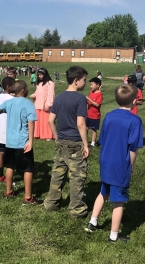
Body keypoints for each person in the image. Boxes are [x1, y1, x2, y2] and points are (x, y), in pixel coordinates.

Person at [85, 84, 143, 242]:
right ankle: (114, 235)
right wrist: (130, 165)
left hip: (106, 160)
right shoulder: (135, 121)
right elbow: (133, 148)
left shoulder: (109, 116)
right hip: (120, 164)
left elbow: (102, 140)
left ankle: (92, 222)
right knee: (119, 201)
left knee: (103, 191)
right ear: (135, 101)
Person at [44, 66, 89, 218]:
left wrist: (57, 137)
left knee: (57, 174)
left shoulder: (60, 97)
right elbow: (81, 124)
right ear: (76, 81)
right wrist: (86, 144)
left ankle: (51, 203)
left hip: (61, 142)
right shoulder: (80, 99)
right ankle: (77, 209)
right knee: (77, 177)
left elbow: (50, 120)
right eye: (84, 80)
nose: (86, 83)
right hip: (75, 143)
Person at [0, 77, 15, 182]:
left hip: (0, 128)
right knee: (11, 155)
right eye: (13, 85)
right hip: (9, 129)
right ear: (8, 87)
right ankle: (9, 176)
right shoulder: (11, 99)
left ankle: (0, 175)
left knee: (1, 153)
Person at [30, 68, 55, 141]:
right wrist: (33, 95)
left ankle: (48, 135)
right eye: (38, 75)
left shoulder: (50, 83)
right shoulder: (39, 83)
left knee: (46, 121)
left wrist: (48, 104)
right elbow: (37, 92)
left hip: (45, 105)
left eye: (41, 75)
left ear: (45, 75)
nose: (39, 76)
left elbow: (51, 95)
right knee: (39, 120)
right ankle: (39, 134)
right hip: (38, 105)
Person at [86, 77, 103, 147]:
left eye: (92, 85)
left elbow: (97, 104)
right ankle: (85, 141)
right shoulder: (91, 92)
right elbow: (88, 102)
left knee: (94, 130)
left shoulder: (99, 94)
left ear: (98, 85)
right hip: (88, 115)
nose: (90, 86)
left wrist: (89, 99)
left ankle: (93, 143)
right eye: (90, 85)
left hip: (95, 116)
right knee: (86, 128)